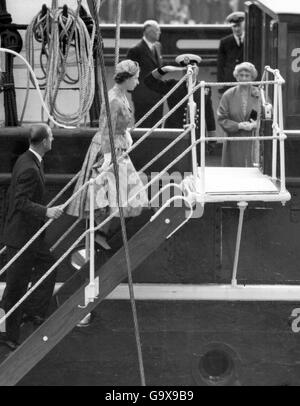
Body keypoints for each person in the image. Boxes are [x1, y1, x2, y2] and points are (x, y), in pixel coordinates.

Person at [66, 60, 148, 247]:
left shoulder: (122, 95)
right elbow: (105, 128)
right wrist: (108, 157)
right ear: (126, 79)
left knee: (120, 195)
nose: (137, 82)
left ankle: (101, 232)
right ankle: (99, 233)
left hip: (117, 146)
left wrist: (125, 133)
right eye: (135, 78)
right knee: (109, 195)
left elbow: (117, 123)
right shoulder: (113, 99)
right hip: (108, 149)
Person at [0, 124, 63, 350]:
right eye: (52, 137)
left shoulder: (27, 160)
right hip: (22, 238)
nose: (54, 140)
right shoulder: (29, 168)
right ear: (44, 141)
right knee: (14, 288)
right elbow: (19, 202)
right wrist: (46, 211)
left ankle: (32, 311)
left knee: (49, 265)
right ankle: (5, 334)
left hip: (30, 236)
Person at [217, 62, 262, 167]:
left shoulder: (260, 94)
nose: (244, 78)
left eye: (247, 76)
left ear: (252, 78)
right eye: (241, 75)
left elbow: (268, 117)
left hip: (254, 140)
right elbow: (221, 119)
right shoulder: (228, 95)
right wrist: (238, 125)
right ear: (237, 77)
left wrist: (255, 124)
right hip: (234, 141)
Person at [126, 20, 164, 128]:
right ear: (148, 32)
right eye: (157, 31)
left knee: (157, 128)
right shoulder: (135, 50)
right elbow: (129, 73)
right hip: (142, 98)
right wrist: (136, 91)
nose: (159, 33)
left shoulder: (158, 47)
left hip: (157, 96)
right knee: (143, 126)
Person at [217, 11, 245, 95]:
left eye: (239, 26)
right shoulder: (225, 42)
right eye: (234, 26)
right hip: (229, 82)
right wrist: (220, 84)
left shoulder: (251, 40)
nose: (237, 29)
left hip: (246, 80)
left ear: (243, 25)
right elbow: (220, 64)